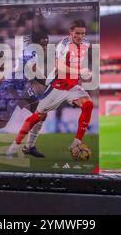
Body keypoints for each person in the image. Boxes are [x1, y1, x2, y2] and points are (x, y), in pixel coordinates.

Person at [7, 19, 94, 158]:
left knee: (88, 104)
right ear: (71, 32)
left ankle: (76, 143)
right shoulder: (63, 45)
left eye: (83, 33)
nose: (80, 36)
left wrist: (85, 71)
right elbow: (59, 67)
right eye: (77, 33)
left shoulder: (86, 44)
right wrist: (80, 71)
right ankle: (14, 147)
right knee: (38, 116)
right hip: (57, 86)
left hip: (73, 87)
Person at [0, 31, 50, 158]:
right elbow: (33, 69)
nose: (44, 47)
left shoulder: (30, 48)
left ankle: (29, 146)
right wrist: (49, 82)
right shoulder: (33, 50)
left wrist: (46, 82)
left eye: (46, 44)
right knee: (1, 123)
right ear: (36, 43)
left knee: (41, 112)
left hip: (22, 86)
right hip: (12, 87)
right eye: (43, 44)